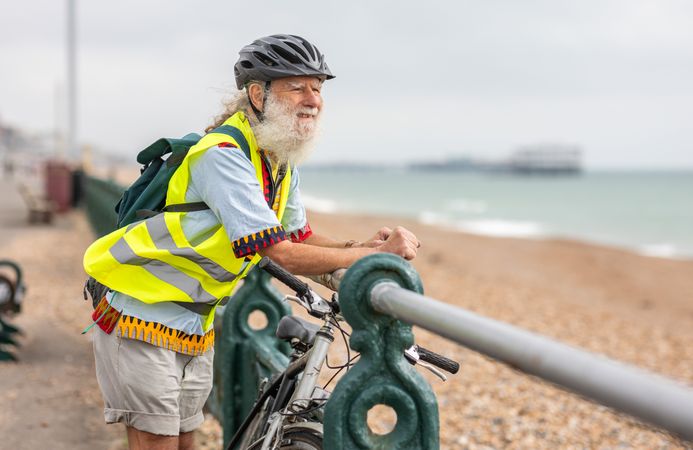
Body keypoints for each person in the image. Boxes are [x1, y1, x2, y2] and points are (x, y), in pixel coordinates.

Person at [83, 34, 420, 450]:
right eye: (297, 86)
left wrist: (357, 249)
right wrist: (378, 254)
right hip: (139, 313)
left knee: (186, 441)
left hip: (194, 322)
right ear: (258, 94)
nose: (312, 98)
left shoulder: (277, 160)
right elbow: (279, 252)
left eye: (318, 87)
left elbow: (300, 234)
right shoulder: (222, 154)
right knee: (156, 443)